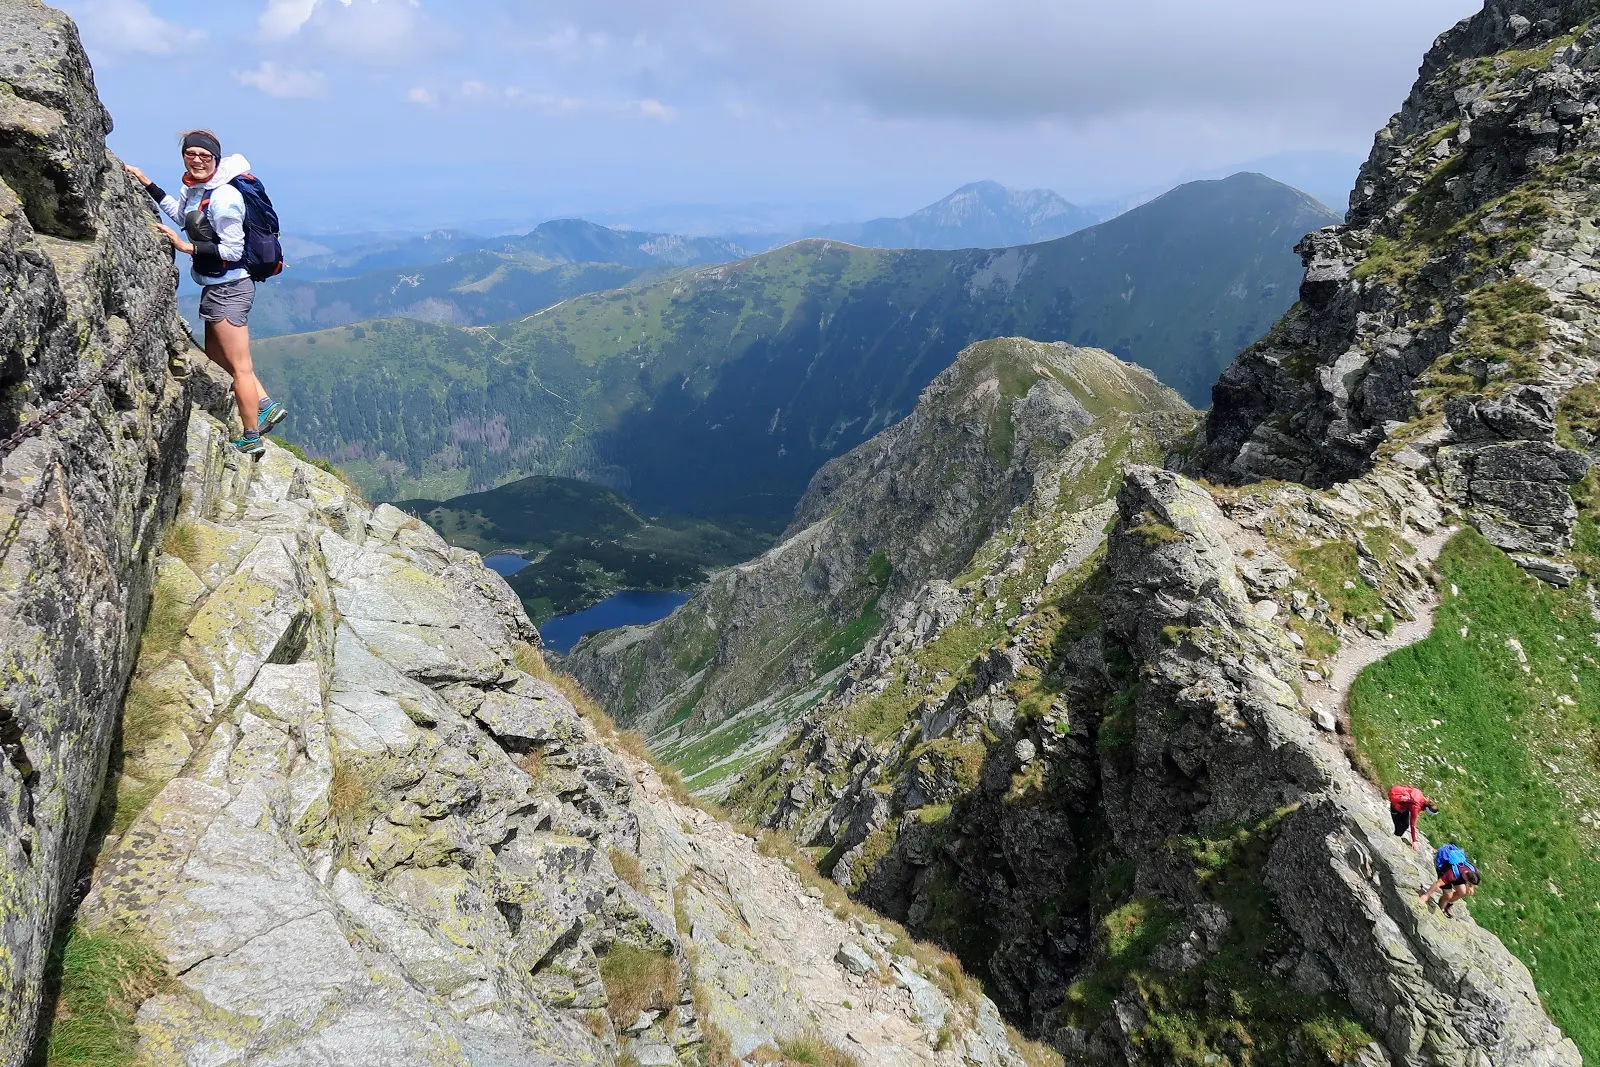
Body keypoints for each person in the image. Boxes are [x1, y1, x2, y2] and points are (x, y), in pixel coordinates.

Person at [124, 130, 286, 455]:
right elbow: (183, 216)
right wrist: (148, 184)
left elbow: (232, 249)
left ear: (216, 158)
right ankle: (264, 404)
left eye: (204, 155)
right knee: (217, 355)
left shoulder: (224, 197)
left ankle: (252, 436)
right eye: (191, 154)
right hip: (216, 289)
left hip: (230, 288)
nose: (197, 159)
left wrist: (186, 247)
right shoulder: (198, 190)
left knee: (240, 365)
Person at [1418, 842, 1479, 916]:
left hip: (1459, 875)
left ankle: (1447, 904)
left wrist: (1471, 887)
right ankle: (1440, 909)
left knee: (1462, 891)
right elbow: (1438, 883)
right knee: (1448, 895)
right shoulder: (1452, 874)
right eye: (1469, 883)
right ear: (1466, 878)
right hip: (1444, 870)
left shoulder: (1473, 870)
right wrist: (1426, 896)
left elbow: (1472, 879)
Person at [1388, 784, 1439, 850]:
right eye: (1430, 814)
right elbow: (1413, 825)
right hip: (1396, 806)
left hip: (1403, 805)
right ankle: (1392, 843)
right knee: (1399, 829)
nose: (1430, 815)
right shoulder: (1416, 808)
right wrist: (1414, 841)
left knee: (1405, 825)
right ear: (1428, 811)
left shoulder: (1422, 797)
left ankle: (1395, 838)